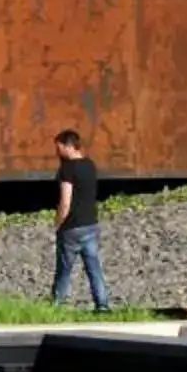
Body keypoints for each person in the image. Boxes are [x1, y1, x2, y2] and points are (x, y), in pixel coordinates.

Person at [51, 129, 111, 311]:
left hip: (72, 227)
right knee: (94, 267)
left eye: (59, 148)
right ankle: (102, 305)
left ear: (69, 146)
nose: (57, 152)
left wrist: (58, 222)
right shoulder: (90, 165)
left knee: (64, 270)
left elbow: (65, 201)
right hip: (91, 224)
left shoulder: (67, 169)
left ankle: (57, 305)